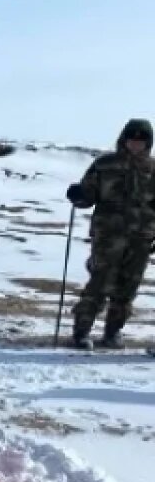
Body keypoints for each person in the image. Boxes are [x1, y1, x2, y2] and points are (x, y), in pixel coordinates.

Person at [65, 118, 155, 350]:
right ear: (124, 139)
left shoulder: (153, 170)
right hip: (108, 237)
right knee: (99, 283)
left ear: (148, 143)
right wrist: (80, 195)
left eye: (141, 140)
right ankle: (81, 332)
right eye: (132, 139)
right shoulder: (105, 165)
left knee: (127, 288)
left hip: (142, 238)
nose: (136, 144)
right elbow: (89, 196)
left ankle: (113, 333)